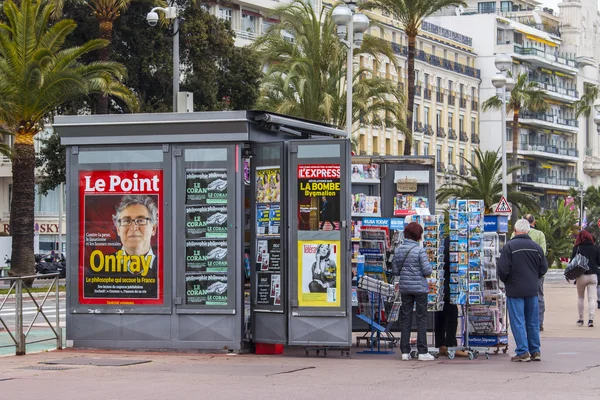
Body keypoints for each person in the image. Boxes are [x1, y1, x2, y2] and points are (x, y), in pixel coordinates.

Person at [499, 219, 548, 362]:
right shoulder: (536, 247)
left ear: (515, 230)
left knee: (518, 321)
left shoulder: (509, 247)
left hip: (515, 290)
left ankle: (522, 351)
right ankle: (535, 351)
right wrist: (534, 278)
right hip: (532, 290)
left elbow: (503, 269)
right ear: (528, 231)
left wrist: (507, 280)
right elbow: (543, 268)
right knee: (532, 321)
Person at [393, 222, 434, 361]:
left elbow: (395, 270)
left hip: (405, 288)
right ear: (418, 235)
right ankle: (422, 351)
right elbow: (427, 271)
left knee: (406, 318)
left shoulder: (398, 250)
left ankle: (405, 351)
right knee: (421, 318)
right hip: (420, 289)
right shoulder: (419, 250)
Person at [435, 236, 468, 357]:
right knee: (452, 314)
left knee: (439, 314)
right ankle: (451, 345)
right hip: (449, 285)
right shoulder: (454, 245)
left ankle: (441, 345)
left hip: (440, 284)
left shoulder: (443, 242)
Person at [112, 194, 159, 276]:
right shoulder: (99, 267)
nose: (133, 227)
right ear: (118, 229)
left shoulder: (165, 265)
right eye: (126, 221)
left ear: (153, 229)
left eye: (141, 220)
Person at [523, 214, 548, 331]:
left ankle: (524, 322)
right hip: (537, 272)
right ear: (534, 222)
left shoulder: (515, 234)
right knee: (539, 297)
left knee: (520, 298)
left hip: (521, 272)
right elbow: (543, 252)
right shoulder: (539, 234)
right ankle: (539, 322)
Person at [570, 230, 600, 327]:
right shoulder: (595, 248)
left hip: (581, 275)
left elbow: (571, 263)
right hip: (593, 276)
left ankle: (580, 319)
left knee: (580, 297)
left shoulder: (577, 248)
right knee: (592, 298)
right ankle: (591, 320)